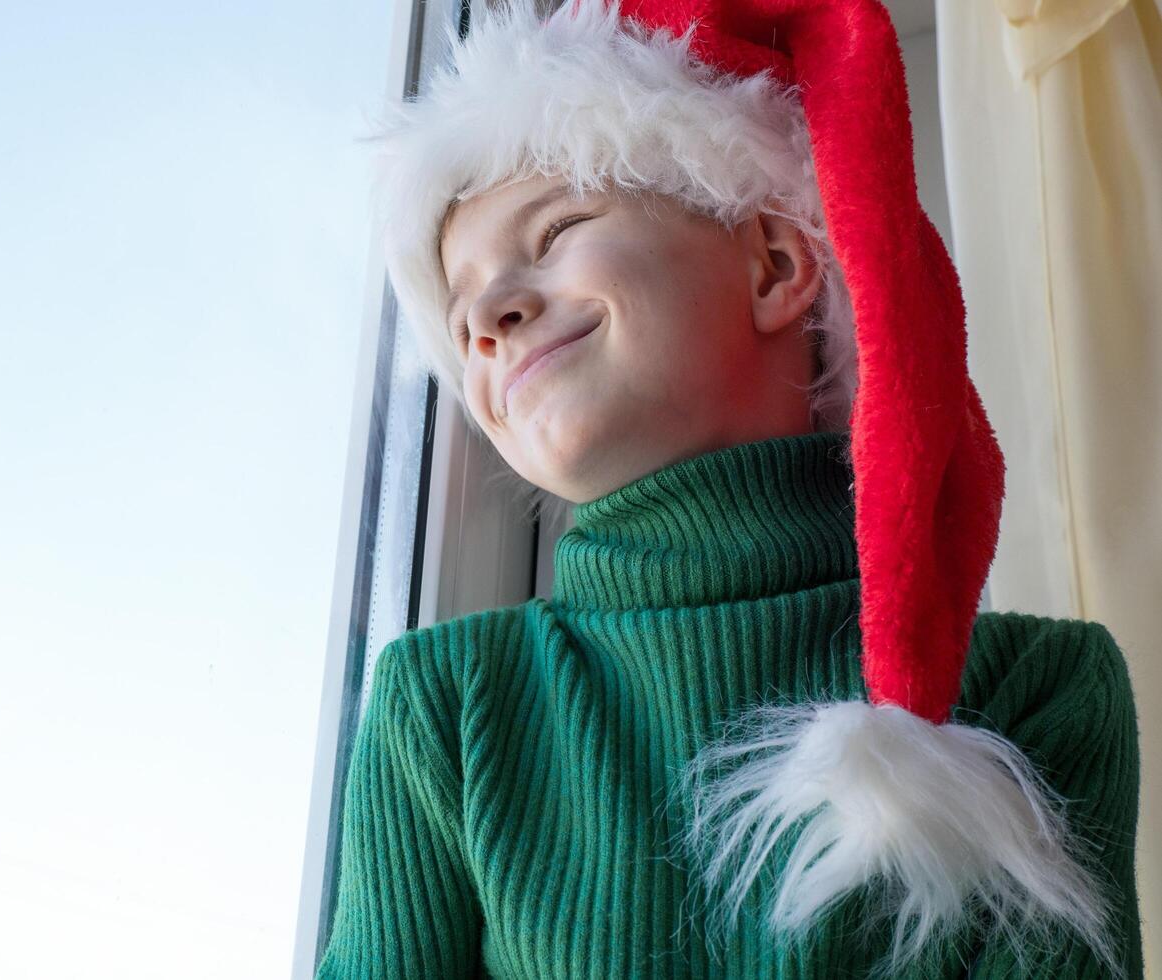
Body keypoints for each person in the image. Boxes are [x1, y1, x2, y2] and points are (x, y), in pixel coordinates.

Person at [314, 1, 1143, 977]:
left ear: (777, 264)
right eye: (460, 323)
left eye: (558, 228)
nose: (489, 315)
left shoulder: (1033, 693)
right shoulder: (444, 708)